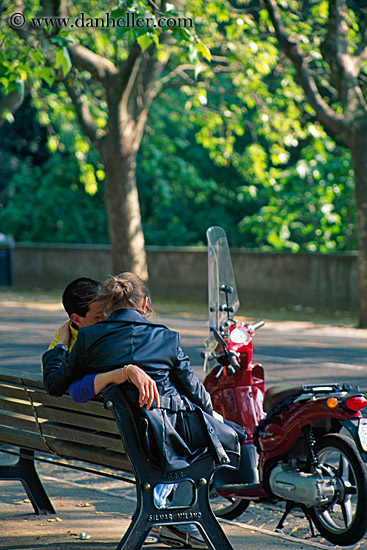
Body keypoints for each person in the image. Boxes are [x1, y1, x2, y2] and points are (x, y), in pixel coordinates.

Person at [43, 273, 245, 549]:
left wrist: (60, 345)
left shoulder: (88, 338)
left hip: (121, 440)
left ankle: (176, 524)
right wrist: (213, 416)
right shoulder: (166, 338)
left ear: (108, 306)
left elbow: (55, 384)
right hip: (162, 442)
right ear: (145, 303)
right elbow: (197, 394)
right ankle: (180, 525)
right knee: (224, 435)